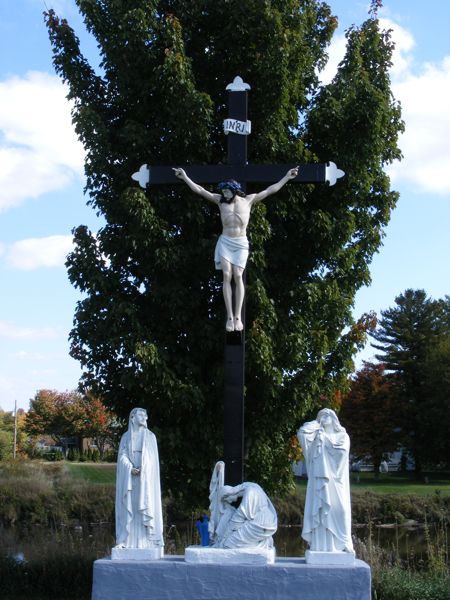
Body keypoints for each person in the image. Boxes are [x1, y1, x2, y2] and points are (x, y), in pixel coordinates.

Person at [173, 166, 299, 331]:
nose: (224, 194)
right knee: (227, 274)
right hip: (225, 241)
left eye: (227, 192)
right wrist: (185, 177)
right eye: (223, 192)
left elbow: (270, 190)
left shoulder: (248, 200)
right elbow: (201, 191)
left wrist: (286, 177)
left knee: (238, 275)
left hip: (240, 243)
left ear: (234, 191)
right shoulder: (220, 201)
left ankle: (238, 316)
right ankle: (230, 317)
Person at [297, 408, 353, 553]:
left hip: (335, 480)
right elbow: (302, 433)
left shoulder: (342, 436)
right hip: (318, 482)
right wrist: (315, 425)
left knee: (340, 510)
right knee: (320, 512)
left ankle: (343, 542)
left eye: (328, 415)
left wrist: (326, 441)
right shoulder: (316, 436)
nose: (324, 417)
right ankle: (320, 546)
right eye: (321, 415)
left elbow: (341, 453)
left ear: (334, 419)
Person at [115, 408, 164, 549]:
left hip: (145, 477)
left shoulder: (150, 437)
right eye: (141, 415)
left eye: (145, 415)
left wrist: (143, 468)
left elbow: (152, 459)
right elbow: (122, 456)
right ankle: (126, 540)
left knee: (144, 504)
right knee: (130, 505)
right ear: (133, 417)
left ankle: (147, 541)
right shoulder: (125, 437)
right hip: (130, 477)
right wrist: (130, 467)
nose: (144, 417)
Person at [208, 461, 277, 549]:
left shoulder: (250, 493)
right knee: (231, 541)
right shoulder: (251, 486)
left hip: (261, 523)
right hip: (263, 521)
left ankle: (263, 543)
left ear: (229, 494)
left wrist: (224, 537)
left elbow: (238, 518)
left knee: (228, 544)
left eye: (227, 500)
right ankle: (261, 542)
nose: (229, 502)